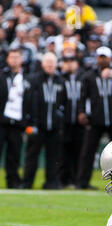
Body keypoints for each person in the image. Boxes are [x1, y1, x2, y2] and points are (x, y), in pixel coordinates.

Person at [75, 46, 112, 190]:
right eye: (100, 57)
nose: (102, 60)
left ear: (110, 58)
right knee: (87, 151)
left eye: (105, 57)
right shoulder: (89, 76)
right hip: (95, 119)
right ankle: (82, 182)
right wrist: (81, 112)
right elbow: (82, 96)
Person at [23, 52, 67, 189]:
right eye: (47, 62)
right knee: (32, 155)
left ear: (56, 64)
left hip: (54, 126)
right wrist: (29, 121)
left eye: (52, 62)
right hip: (37, 125)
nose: (50, 65)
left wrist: (60, 117)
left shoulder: (60, 81)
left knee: (53, 157)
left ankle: (51, 182)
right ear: (42, 64)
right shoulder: (34, 79)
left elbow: (65, 102)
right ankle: (27, 182)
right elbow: (27, 101)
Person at [0, 48, 32, 188]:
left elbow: (30, 100)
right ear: (7, 59)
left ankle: (12, 181)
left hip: (18, 122)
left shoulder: (27, 79)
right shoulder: (2, 76)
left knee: (14, 154)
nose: (14, 60)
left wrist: (27, 120)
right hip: (2, 121)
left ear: (21, 60)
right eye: (11, 57)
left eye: (16, 57)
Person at [60, 53, 84, 189]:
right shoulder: (60, 78)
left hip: (79, 122)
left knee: (78, 151)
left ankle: (77, 180)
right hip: (65, 121)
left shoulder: (83, 78)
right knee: (64, 152)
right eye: (67, 61)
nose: (70, 63)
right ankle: (63, 179)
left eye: (72, 60)